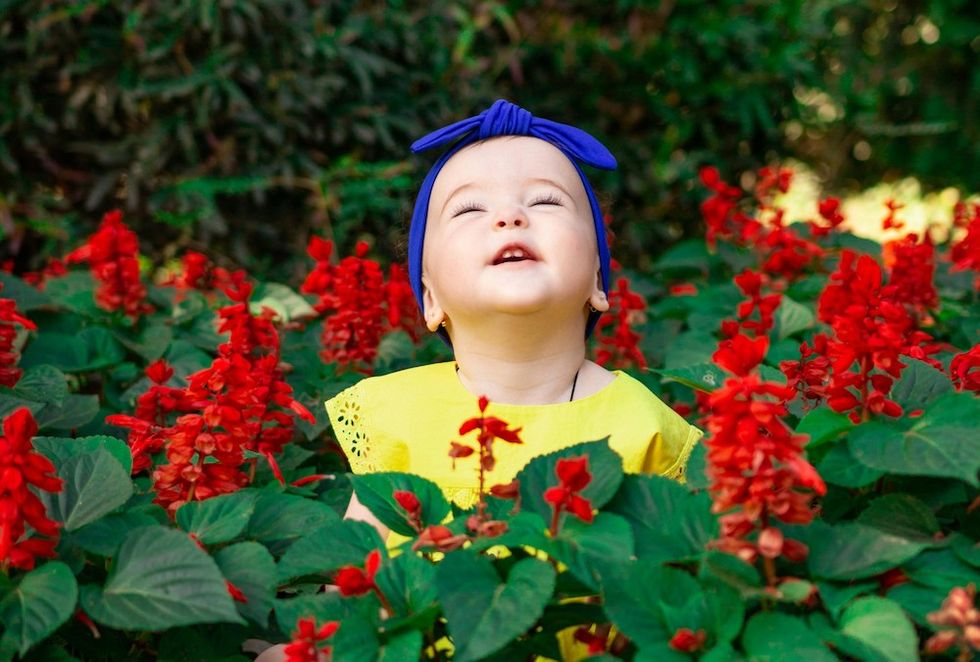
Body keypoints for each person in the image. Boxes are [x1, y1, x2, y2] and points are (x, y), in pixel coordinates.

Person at [254, 99, 703, 661]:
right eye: (469, 210)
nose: (510, 217)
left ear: (596, 277)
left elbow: (681, 593)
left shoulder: (643, 424)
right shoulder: (397, 412)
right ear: (431, 298)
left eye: (545, 200)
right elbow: (351, 586)